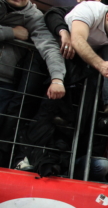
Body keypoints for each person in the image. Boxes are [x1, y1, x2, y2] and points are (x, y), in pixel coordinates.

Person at [0, 0, 66, 167]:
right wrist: (11, 32)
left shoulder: (33, 16)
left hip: (5, 82)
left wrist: (57, 78)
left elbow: (49, 47)